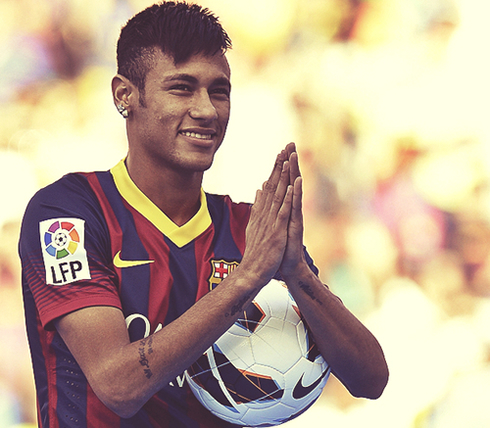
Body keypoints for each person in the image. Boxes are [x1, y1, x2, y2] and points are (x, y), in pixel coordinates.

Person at [19, 2, 389, 427]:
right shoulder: (68, 213)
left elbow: (370, 380)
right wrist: (247, 279)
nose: (207, 110)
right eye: (182, 88)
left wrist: (299, 275)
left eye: (219, 90)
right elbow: (118, 386)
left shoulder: (253, 229)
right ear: (125, 94)